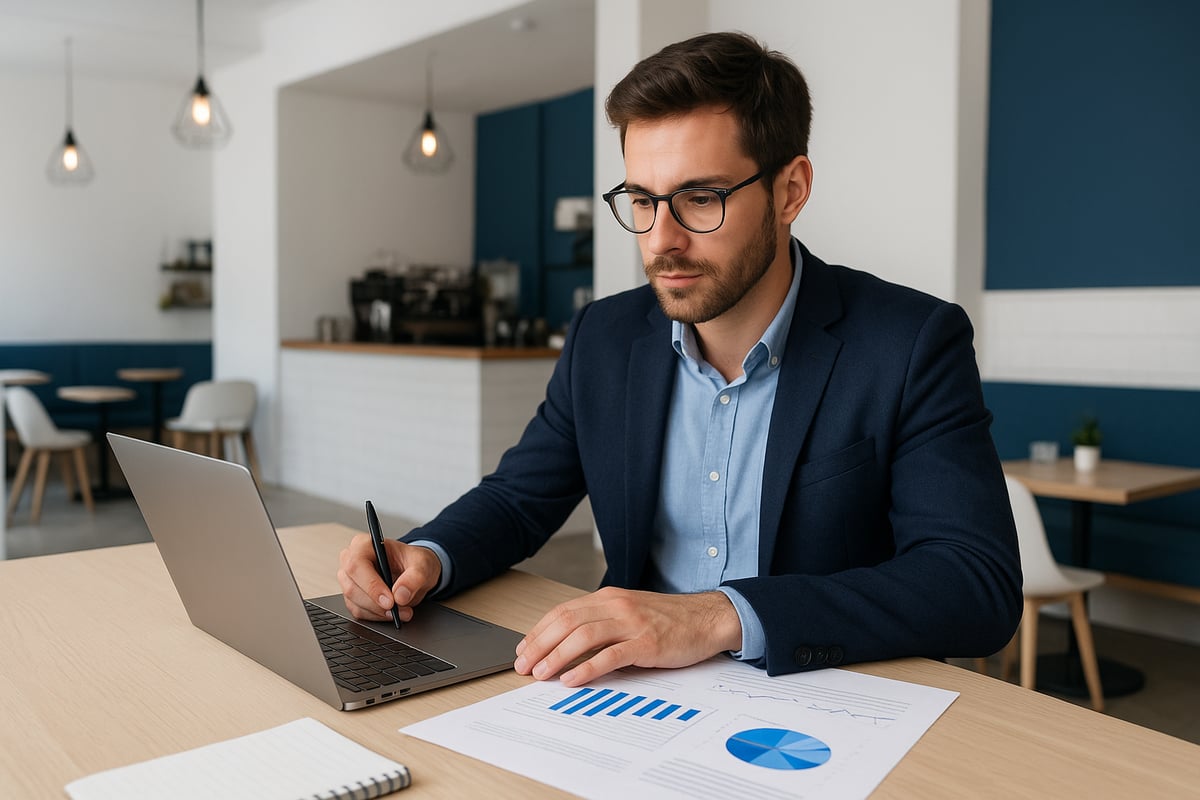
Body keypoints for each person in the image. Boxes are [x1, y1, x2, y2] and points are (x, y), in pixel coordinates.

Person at [339, 31, 1021, 687]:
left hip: (826, 701)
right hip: (634, 695)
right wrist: (426, 556)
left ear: (790, 190)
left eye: (700, 199)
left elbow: (974, 582)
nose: (661, 239)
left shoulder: (910, 342)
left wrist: (719, 616)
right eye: (642, 200)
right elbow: (518, 499)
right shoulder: (604, 338)